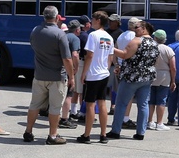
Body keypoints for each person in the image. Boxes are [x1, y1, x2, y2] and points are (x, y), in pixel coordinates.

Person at [23, 6, 73, 145]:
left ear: (44, 17)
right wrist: (72, 77)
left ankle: (28, 131)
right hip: (57, 77)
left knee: (34, 105)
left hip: (39, 75)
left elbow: (33, 46)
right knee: (55, 108)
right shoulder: (60, 34)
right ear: (57, 18)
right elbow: (67, 59)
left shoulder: (35, 31)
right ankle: (52, 135)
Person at [107, 20, 157, 141]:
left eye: (137, 27)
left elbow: (124, 54)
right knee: (143, 105)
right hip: (147, 77)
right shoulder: (154, 43)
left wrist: (110, 48)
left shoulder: (137, 41)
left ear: (144, 29)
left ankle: (115, 131)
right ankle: (140, 133)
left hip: (132, 77)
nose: (134, 29)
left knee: (121, 103)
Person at [78, 11, 115, 143]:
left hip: (93, 74)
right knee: (102, 103)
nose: (91, 21)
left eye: (93, 19)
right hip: (104, 73)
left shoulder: (93, 35)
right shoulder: (109, 37)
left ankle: (86, 135)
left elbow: (89, 55)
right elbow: (111, 57)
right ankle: (103, 134)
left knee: (90, 104)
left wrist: (84, 73)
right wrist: (106, 69)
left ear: (98, 20)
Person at [115, 17, 141, 129]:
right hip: (129, 67)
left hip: (121, 65)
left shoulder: (121, 35)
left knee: (121, 94)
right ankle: (125, 118)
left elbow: (115, 49)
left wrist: (117, 64)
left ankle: (120, 117)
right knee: (129, 96)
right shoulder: (134, 37)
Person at [149, 29, 176, 131]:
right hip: (164, 76)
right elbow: (173, 67)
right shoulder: (168, 50)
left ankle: (150, 121)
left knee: (151, 100)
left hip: (151, 74)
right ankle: (159, 123)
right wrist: (173, 81)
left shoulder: (151, 48)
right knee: (161, 100)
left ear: (155, 38)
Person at [59, 20, 82, 130]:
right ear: (77, 30)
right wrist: (76, 67)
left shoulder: (62, 36)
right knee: (69, 94)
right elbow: (75, 55)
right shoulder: (75, 39)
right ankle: (64, 119)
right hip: (68, 69)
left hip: (58, 68)